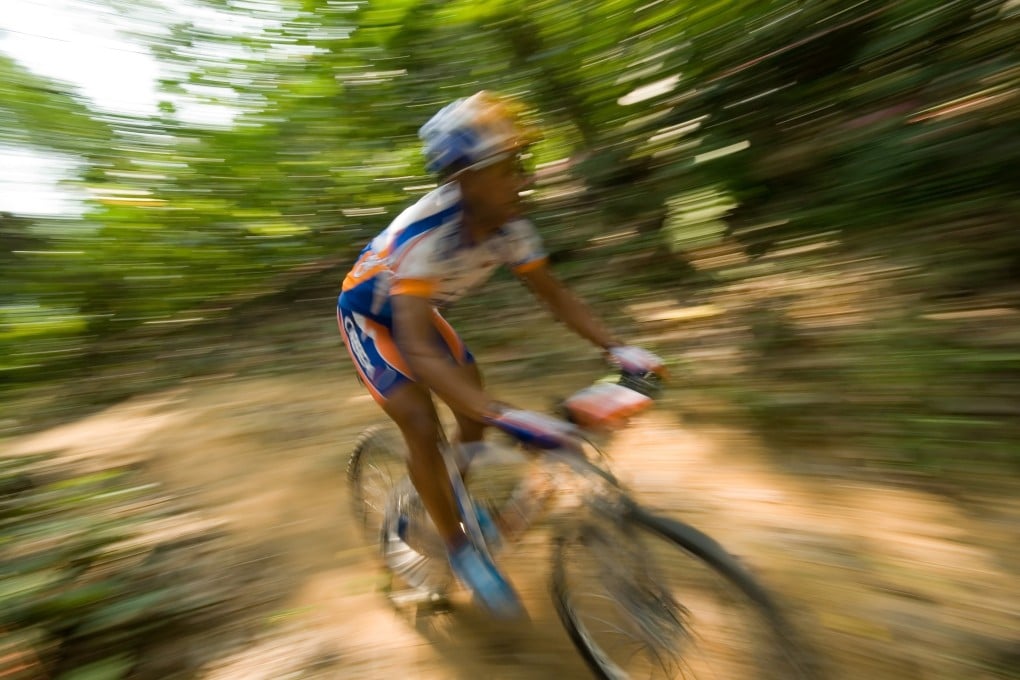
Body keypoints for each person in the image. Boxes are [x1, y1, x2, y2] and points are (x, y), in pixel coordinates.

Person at [337, 91, 664, 618]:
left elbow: (556, 297)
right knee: (422, 422)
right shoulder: (427, 237)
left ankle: (447, 498)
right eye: (509, 167)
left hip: (417, 312)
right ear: (464, 178)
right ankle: (459, 548)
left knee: (473, 409)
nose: (524, 177)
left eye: (522, 163)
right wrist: (503, 414)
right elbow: (418, 350)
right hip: (371, 318)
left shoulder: (511, 224)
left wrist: (619, 349)